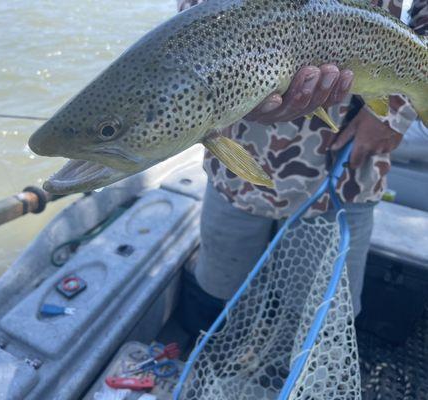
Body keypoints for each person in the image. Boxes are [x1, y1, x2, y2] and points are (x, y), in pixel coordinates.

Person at [176, 0, 426, 334]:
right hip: (234, 162)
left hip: (346, 172)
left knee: (326, 319)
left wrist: (393, 116)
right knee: (223, 292)